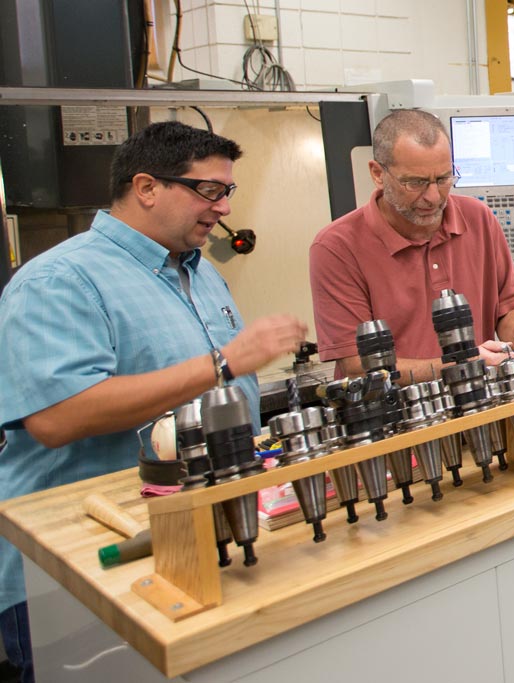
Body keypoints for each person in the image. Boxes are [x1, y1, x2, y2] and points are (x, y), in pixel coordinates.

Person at [0, 122, 308, 682]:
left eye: (227, 192)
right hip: (75, 564)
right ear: (146, 187)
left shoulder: (202, 275)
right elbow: (56, 416)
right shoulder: (59, 281)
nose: (221, 208)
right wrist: (226, 363)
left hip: (181, 538)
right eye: (209, 190)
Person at [309, 109, 514, 381]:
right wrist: (461, 365)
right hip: (399, 418)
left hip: (483, 407)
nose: (432, 196)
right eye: (415, 182)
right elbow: (357, 366)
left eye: (443, 179)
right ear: (378, 173)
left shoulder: (478, 219)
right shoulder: (336, 248)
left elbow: (509, 307)